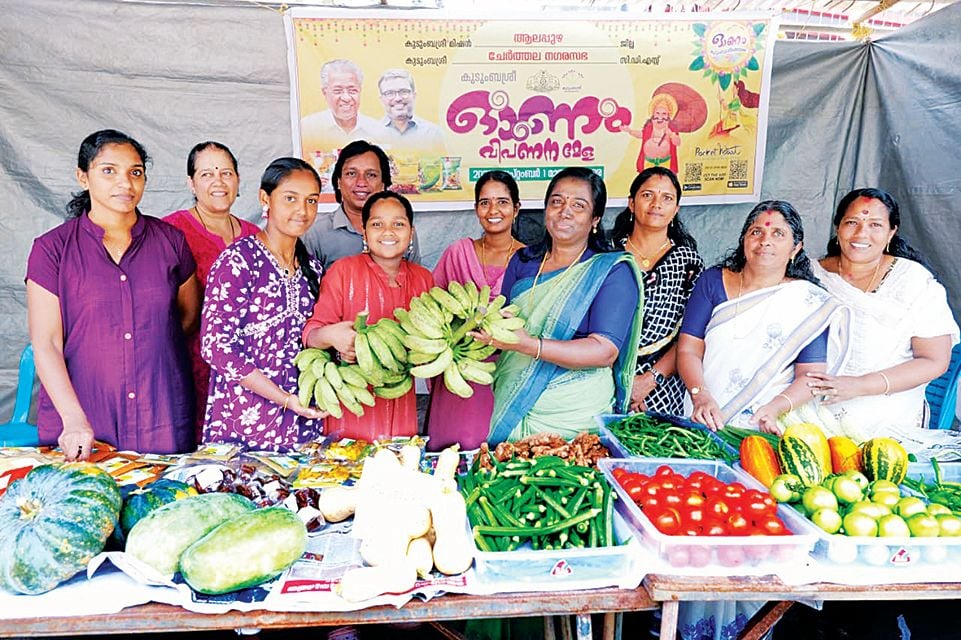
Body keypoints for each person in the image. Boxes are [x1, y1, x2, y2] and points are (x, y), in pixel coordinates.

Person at [26, 129, 199, 459]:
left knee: (165, 506)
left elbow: (187, 317)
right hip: (85, 419)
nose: (125, 183)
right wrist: (73, 418)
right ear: (83, 177)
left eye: (135, 172)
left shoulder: (170, 242)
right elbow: (46, 342)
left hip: (160, 416)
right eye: (109, 171)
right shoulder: (52, 250)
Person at [477, 167, 643, 443]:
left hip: (574, 416)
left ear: (595, 218)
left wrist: (528, 345)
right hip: (513, 402)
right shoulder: (523, 261)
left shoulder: (611, 270)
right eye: (557, 202)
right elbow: (505, 320)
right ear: (546, 210)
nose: (565, 211)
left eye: (578, 205)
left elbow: (604, 351)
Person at [677, 200, 850, 435]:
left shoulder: (809, 302)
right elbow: (689, 349)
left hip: (761, 426)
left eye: (778, 233)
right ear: (744, 240)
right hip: (700, 413)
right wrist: (700, 395)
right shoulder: (712, 281)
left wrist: (775, 408)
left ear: (796, 247)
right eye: (756, 232)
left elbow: (810, 375)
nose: (765, 241)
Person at [807, 188, 958, 433]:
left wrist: (860, 386)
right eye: (852, 222)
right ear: (838, 227)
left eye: (875, 225)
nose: (861, 233)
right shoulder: (808, 275)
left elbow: (935, 360)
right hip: (804, 411)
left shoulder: (913, 281)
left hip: (885, 420)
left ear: (891, 232)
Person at [201, 158, 326, 452]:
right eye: (291, 198)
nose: (303, 210)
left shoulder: (313, 268)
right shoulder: (239, 261)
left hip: (302, 422)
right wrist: (282, 398)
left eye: (312, 200)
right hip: (244, 420)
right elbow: (215, 347)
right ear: (264, 198)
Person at [303, 191, 433, 441]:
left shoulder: (423, 279)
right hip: (351, 401)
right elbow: (312, 333)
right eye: (377, 224)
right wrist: (333, 337)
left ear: (411, 232)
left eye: (398, 224)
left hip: (400, 398)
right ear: (364, 232)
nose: (388, 232)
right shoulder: (342, 272)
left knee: (397, 471)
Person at [163, 141, 260, 439]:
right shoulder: (171, 232)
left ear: (238, 180)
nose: (218, 182)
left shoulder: (256, 236)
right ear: (190, 183)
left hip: (250, 374)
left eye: (226, 173)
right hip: (190, 368)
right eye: (207, 174)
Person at [426, 170, 526, 451]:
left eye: (502, 202)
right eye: (484, 203)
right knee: (451, 457)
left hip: (507, 373)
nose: (493, 210)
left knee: (499, 460)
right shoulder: (458, 253)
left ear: (516, 209)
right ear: (476, 209)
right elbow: (432, 306)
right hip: (459, 370)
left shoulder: (531, 260)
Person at [611, 167, 703, 415]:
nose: (656, 204)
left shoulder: (688, 263)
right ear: (631, 203)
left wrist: (649, 381)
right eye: (647, 195)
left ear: (676, 209)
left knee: (653, 446)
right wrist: (617, 379)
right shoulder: (606, 254)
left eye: (667, 198)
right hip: (603, 375)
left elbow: (692, 335)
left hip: (662, 384)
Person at [302, 139, 421, 269]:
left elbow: (414, 279)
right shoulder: (316, 233)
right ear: (338, 182)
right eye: (351, 173)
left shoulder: (401, 229)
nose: (361, 182)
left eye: (371, 175)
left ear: (383, 184)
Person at [300, 59, 381, 156]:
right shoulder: (307, 129)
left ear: (360, 91)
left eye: (352, 90)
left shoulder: (377, 130)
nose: (346, 98)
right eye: (338, 91)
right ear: (325, 92)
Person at [376, 68, 445, 154]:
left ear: (414, 95)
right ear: (382, 99)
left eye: (404, 92)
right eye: (389, 93)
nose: (398, 98)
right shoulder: (372, 134)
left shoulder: (433, 134)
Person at [621, 92, 682, 173]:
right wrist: (630, 131)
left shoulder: (671, 129)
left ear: (669, 116)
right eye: (657, 113)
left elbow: (678, 142)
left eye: (664, 114)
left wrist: (671, 135)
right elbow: (641, 134)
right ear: (653, 115)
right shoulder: (649, 128)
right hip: (648, 163)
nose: (660, 117)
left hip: (666, 164)